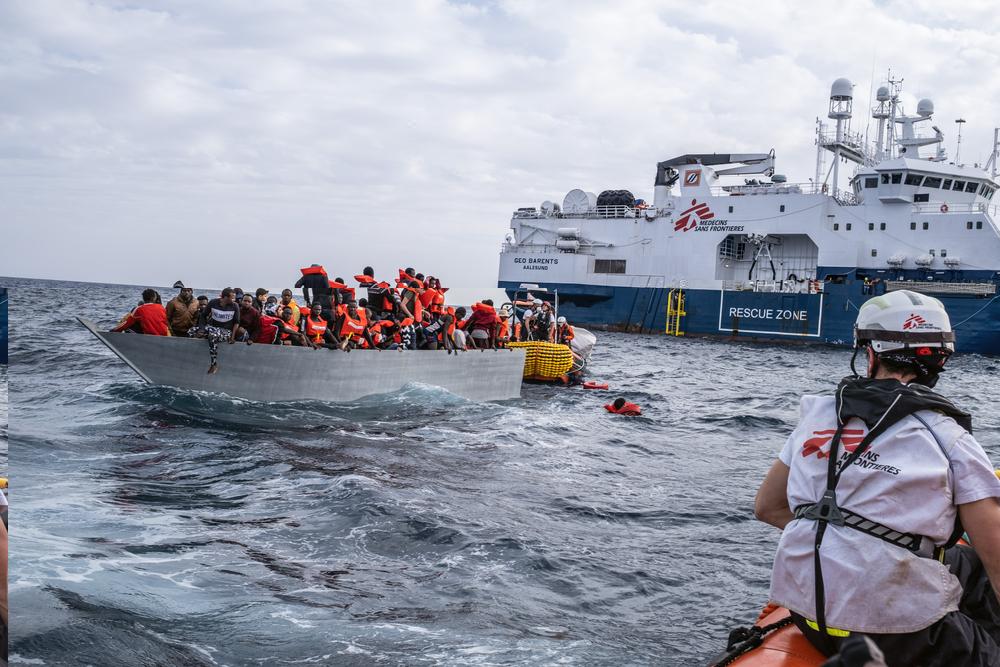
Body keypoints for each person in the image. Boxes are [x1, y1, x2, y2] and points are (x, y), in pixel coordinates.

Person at [753, 290, 1000, 666]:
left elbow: (768, 508)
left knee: (966, 565)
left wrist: (843, 540)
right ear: (939, 360)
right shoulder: (948, 437)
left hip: (808, 616)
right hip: (900, 634)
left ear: (870, 353)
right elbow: (994, 549)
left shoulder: (817, 416)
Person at [190, 287, 241, 374]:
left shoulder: (234, 306)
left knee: (212, 336)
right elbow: (203, 315)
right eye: (232, 298)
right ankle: (198, 353)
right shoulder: (213, 302)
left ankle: (214, 364)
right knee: (191, 331)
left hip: (226, 331)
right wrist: (201, 329)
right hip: (213, 328)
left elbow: (236, 322)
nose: (234, 300)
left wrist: (232, 337)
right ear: (225, 297)